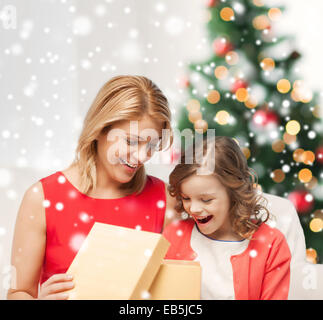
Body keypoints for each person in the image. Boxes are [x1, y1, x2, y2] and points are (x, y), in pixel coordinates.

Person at [7, 75, 179, 300]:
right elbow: (18, 292)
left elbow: (179, 290)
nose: (141, 156)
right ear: (99, 129)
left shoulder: (165, 199)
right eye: (130, 141)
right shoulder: (41, 198)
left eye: (152, 145)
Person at [162, 136, 291, 300]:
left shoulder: (271, 244)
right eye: (186, 198)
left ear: (233, 193)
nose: (193, 209)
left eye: (206, 199)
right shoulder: (173, 235)